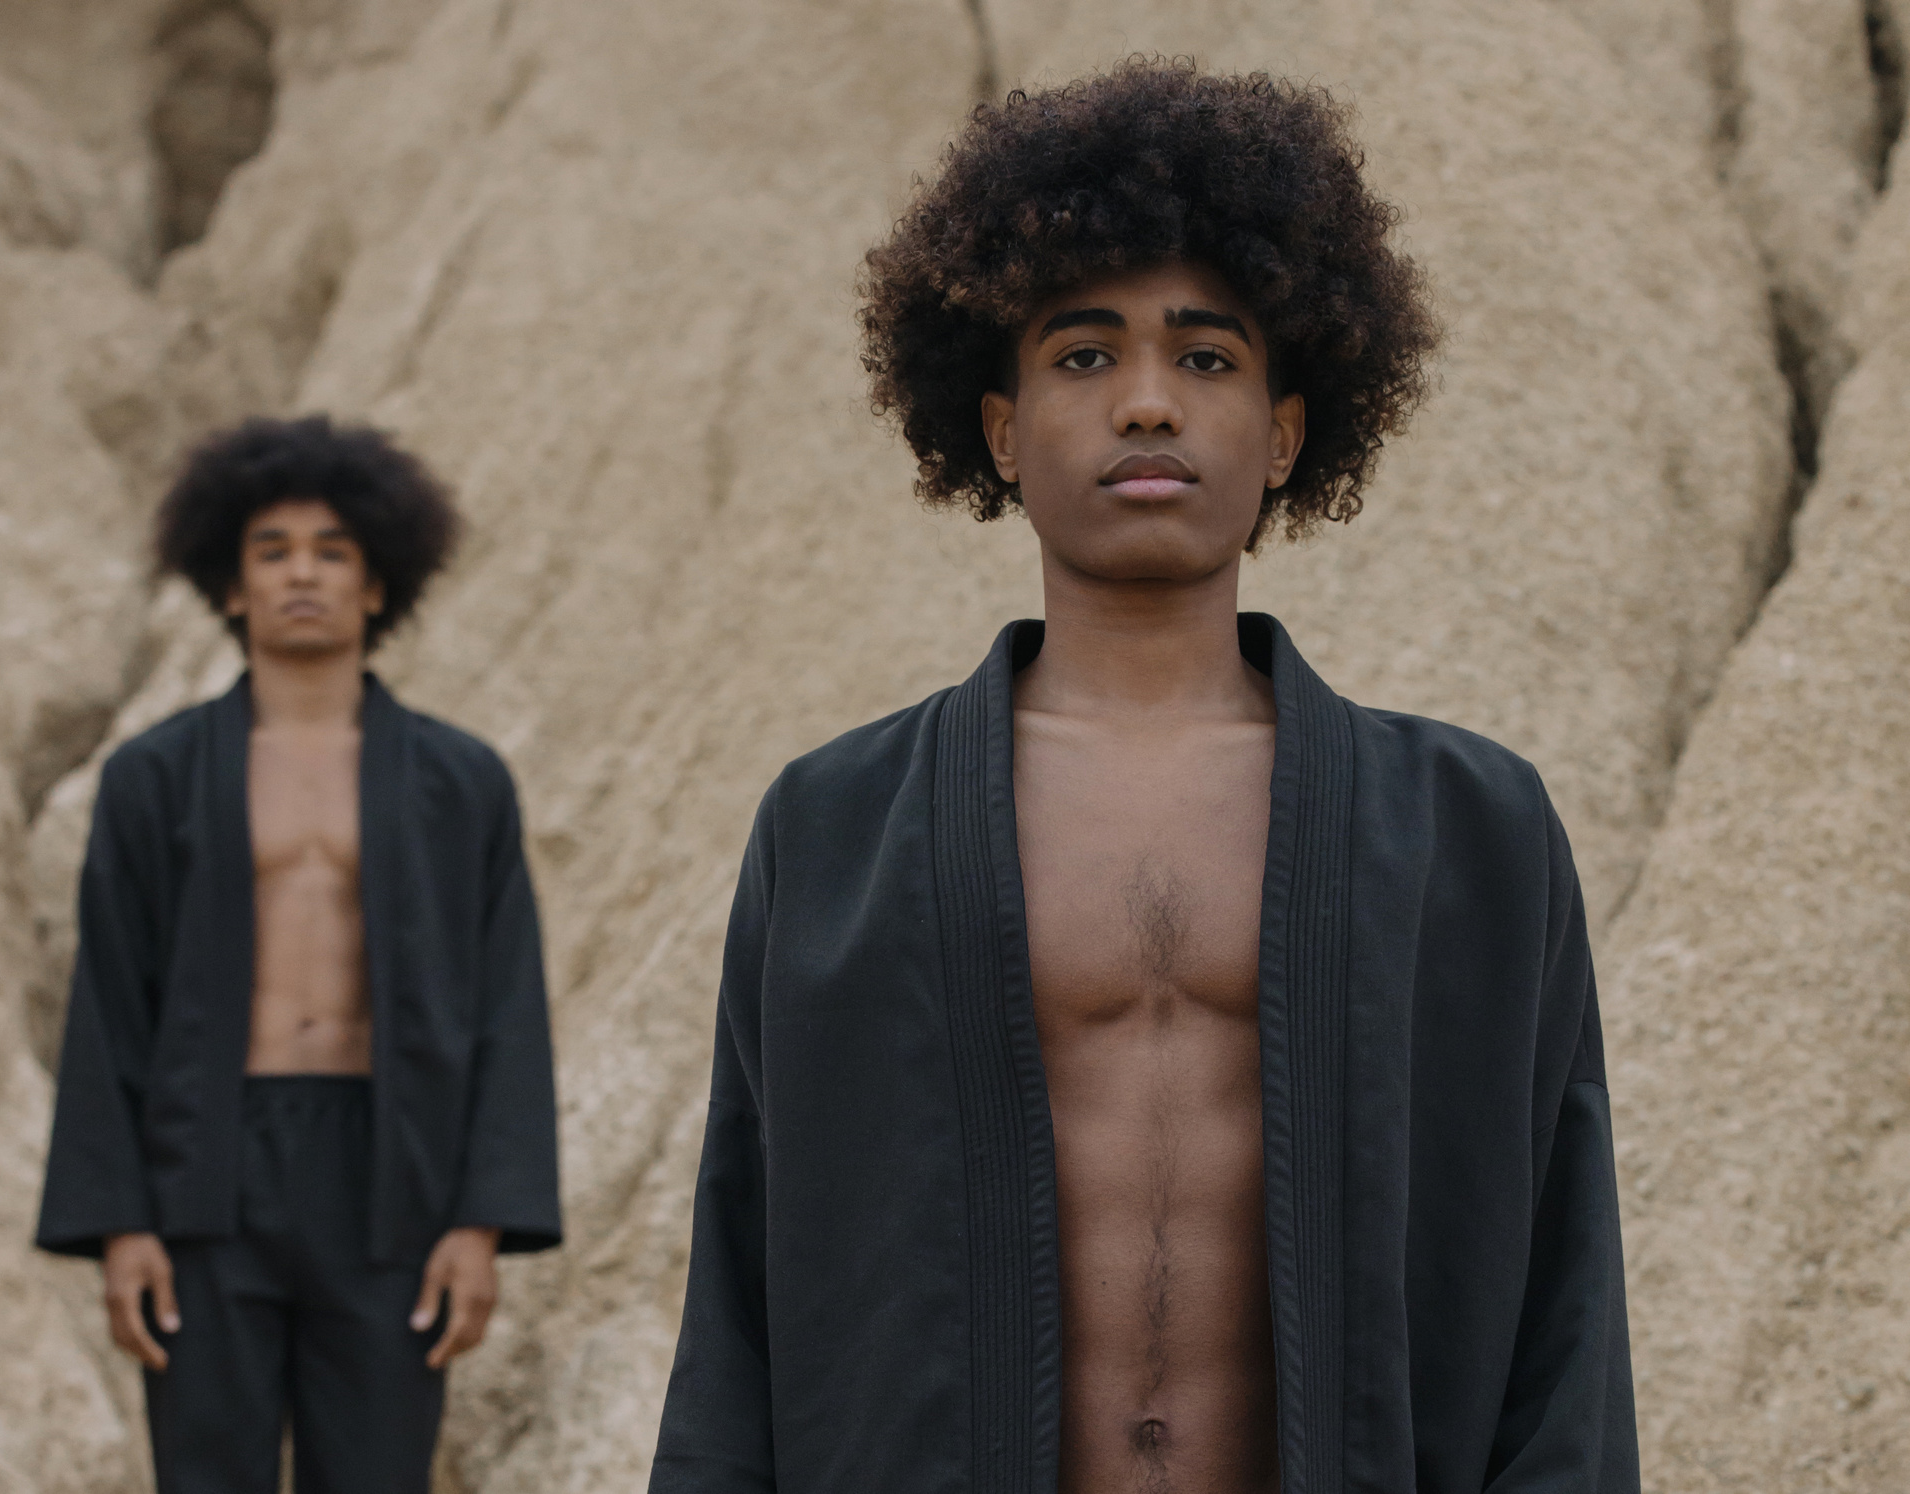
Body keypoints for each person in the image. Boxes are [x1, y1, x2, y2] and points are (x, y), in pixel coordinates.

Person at [649, 59, 1635, 1494]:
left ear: (1289, 432)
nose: (1151, 404)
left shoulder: (1472, 832)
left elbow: (1565, 1306)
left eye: (1211, 356)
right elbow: (738, 1292)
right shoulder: (836, 826)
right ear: (998, 426)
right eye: (1085, 353)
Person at [36, 415, 561, 1494]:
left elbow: (508, 1006)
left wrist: (477, 1220)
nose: (302, 575)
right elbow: (108, 1002)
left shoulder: (460, 783)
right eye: (271, 553)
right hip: (206, 1171)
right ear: (229, 589)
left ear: (377, 585)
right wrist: (122, 1221)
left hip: (391, 1178)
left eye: (331, 552)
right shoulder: (154, 778)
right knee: (206, 1476)